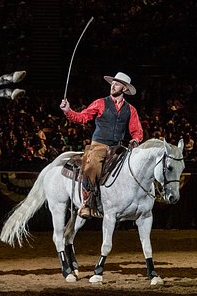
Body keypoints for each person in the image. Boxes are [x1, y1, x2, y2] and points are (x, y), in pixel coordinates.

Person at [59, 72, 143, 218]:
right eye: (112, 83)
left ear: (124, 89)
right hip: (99, 145)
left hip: (118, 147)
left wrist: (135, 139)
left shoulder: (131, 110)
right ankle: (87, 203)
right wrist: (68, 111)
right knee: (92, 167)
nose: (113, 85)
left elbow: (137, 130)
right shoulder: (100, 103)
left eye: (117, 84)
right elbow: (82, 117)